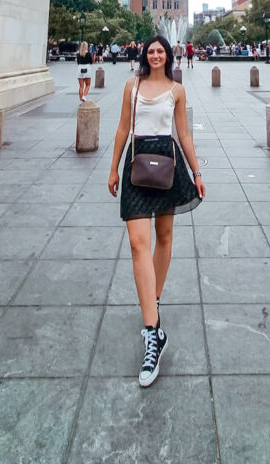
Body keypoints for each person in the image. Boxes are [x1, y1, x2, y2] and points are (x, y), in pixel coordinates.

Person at [108, 35, 205, 387]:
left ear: (169, 55)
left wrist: (196, 172)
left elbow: (184, 134)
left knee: (164, 237)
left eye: (161, 50)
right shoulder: (131, 86)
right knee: (137, 243)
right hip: (137, 165)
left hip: (168, 162)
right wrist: (113, 168)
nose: (156, 54)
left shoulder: (176, 91)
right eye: (151, 50)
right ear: (145, 55)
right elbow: (122, 129)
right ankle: (153, 331)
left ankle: (153, 299)